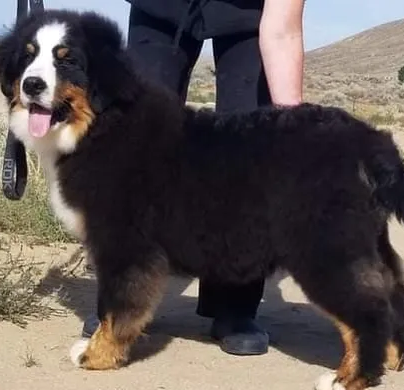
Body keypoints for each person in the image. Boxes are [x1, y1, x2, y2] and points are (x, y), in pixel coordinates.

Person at [83, 0, 306, 356]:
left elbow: (283, 29)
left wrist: (292, 127)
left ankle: (235, 305)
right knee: (133, 149)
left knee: (247, 154)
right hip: (161, 7)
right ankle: (120, 303)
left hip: (249, 13)